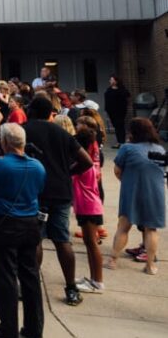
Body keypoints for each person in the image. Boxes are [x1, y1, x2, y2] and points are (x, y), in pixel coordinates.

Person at [0, 123, 46, 338]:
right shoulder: (38, 166)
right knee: (30, 275)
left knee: (4, 274)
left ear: (5, 142)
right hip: (30, 222)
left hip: (4, 222)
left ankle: (8, 327)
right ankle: (34, 328)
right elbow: (39, 189)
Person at [23, 96, 94, 306]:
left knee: (35, 239)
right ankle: (71, 288)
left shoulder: (24, 129)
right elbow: (87, 161)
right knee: (62, 240)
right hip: (62, 192)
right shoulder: (63, 133)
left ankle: (31, 284)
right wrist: (68, 172)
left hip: (36, 192)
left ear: (33, 111)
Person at [106, 118, 165, 275]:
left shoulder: (127, 148)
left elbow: (117, 171)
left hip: (132, 191)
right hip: (155, 193)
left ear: (133, 132)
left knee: (124, 226)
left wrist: (126, 181)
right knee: (151, 229)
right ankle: (150, 265)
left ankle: (113, 260)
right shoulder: (160, 150)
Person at [72, 121, 105, 293]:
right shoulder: (89, 163)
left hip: (88, 207)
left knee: (92, 243)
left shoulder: (84, 165)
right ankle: (93, 278)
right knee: (89, 243)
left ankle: (97, 282)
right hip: (88, 206)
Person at [103, 75, 131, 149]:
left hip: (120, 111)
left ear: (116, 81)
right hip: (111, 112)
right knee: (116, 127)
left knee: (120, 126)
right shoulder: (109, 89)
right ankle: (120, 141)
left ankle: (121, 142)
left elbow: (127, 96)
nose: (110, 81)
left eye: (111, 80)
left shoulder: (122, 89)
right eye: (110, 80)